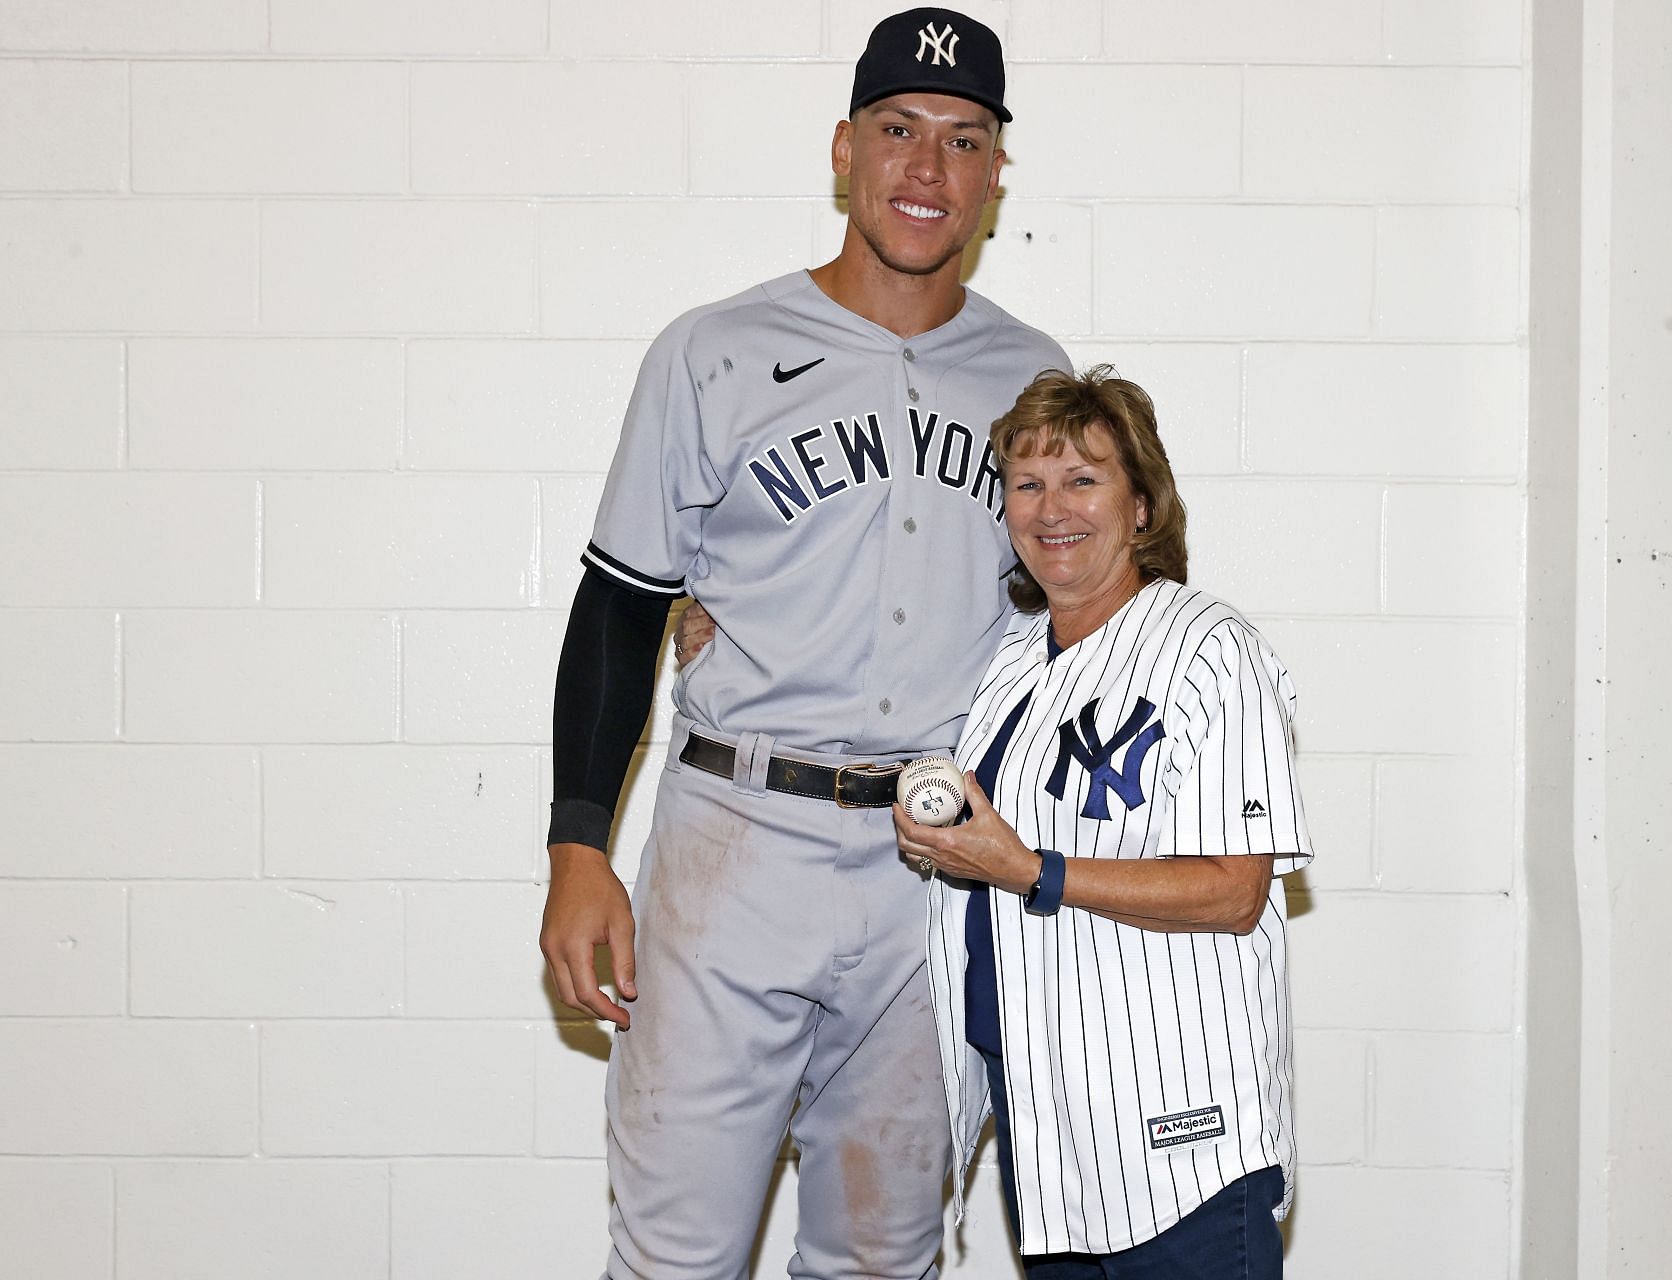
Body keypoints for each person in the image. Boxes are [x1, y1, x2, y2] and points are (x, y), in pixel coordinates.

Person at [537, 9, 1070, 1279]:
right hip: (741, 840)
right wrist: (575, 847)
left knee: (885, 1258)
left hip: (935, 862)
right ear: (845, 151)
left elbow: (1080, 628)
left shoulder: (1035, 378)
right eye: (898, 131)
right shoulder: (714, 351)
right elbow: (617, 606)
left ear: (997, 173)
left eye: (962, 139)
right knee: (676, 1254)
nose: (927, 168)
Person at [894, 368, 1313, 1278]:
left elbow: (1235, 892)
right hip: (1048, 1134)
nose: (1053, 509)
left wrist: (1031, 869)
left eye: (1083, 479)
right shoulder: (1007, 657)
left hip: (1182, 1142)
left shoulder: (1209, 648)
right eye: (1027, 484)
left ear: (1143, 505)